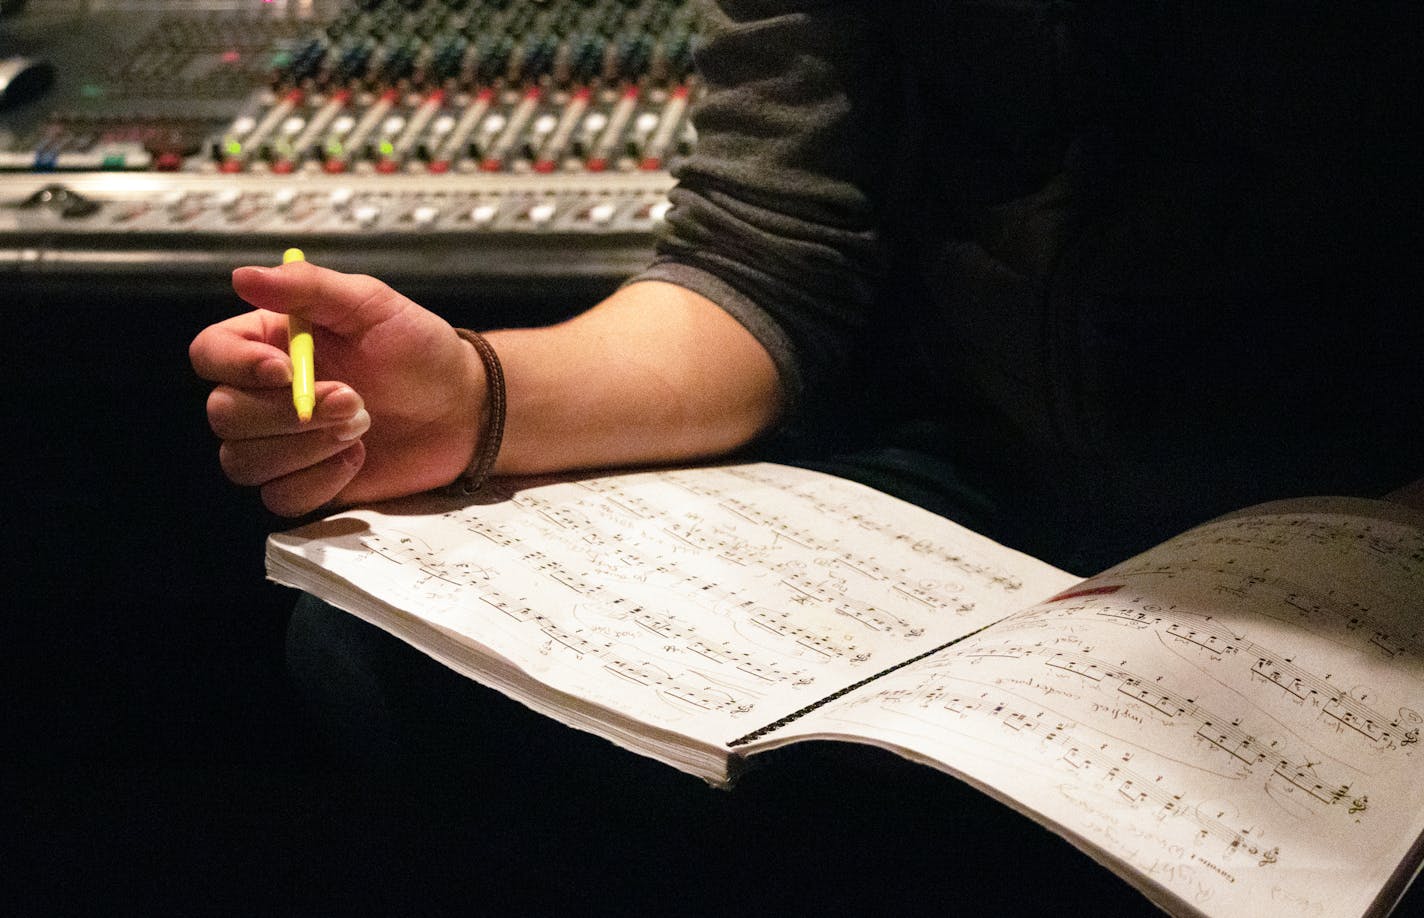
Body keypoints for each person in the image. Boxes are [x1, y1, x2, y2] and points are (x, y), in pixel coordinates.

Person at [189, 2, 1423, 913]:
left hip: (1362, 521)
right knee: (382, 649)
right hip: (966, 482)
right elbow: (760, 260)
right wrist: (475, 398)